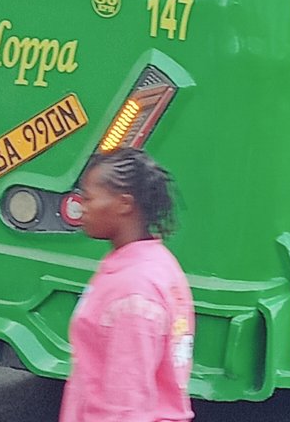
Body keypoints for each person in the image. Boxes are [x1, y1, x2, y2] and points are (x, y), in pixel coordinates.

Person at [61, 147, 194, 422]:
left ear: (124, 204)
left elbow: (125, 408)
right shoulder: (153, 263)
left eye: (89, 198)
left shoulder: (134, 291)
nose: (80, 207)